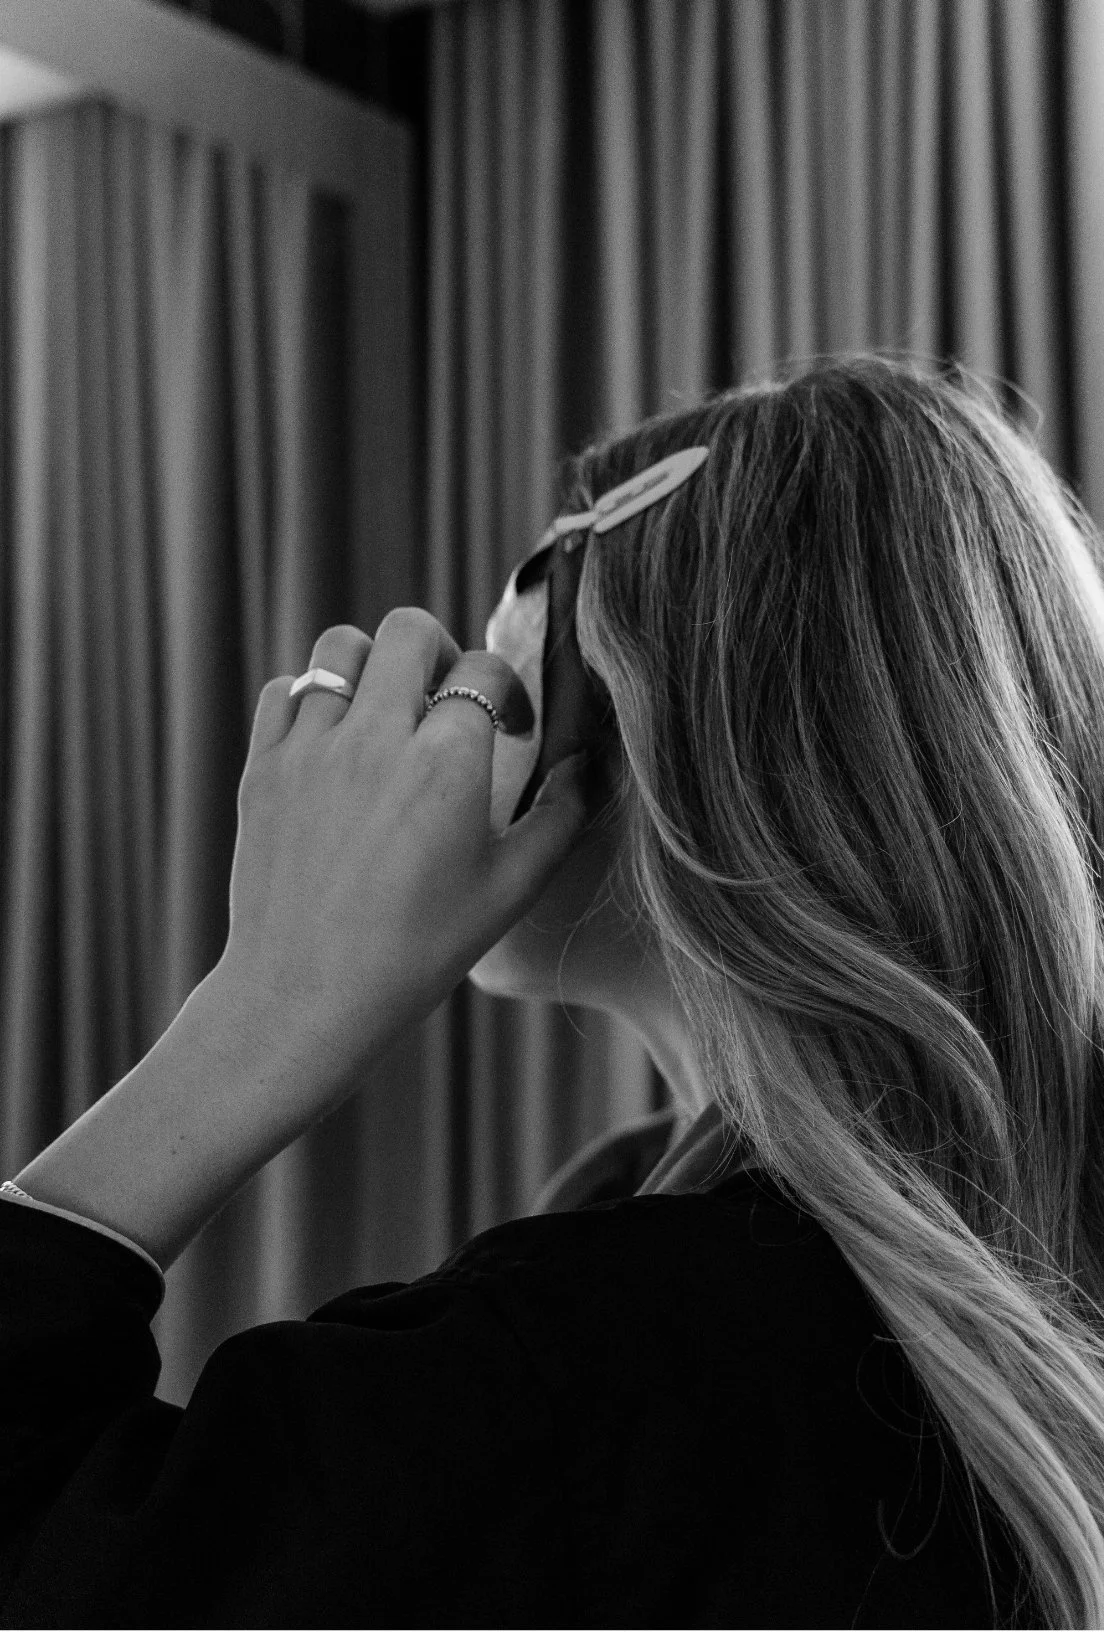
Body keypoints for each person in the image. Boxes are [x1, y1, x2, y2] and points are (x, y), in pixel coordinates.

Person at [2, 351, 1098, 1627]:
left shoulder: (594, 1373)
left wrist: (266, 1003)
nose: (453, 737)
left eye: (500, 685)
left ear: (641, 727)